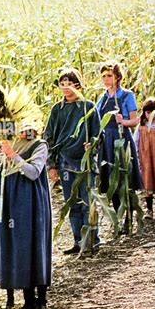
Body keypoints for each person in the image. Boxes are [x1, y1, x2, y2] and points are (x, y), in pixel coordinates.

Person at [0, 125, 52, 309]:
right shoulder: (4, 145)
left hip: (31, 203)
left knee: (34, 247)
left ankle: (41, 301)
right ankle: (28, 302)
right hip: (9, 204)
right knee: (19, 250)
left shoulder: (39, 145)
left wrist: (13, 155)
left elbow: (33, 172)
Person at [43, 68, 102, 254]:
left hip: (84, 162)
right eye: (62, 85)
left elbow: (98, 134)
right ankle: (78, 241)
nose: (66, 88)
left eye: (69, 84)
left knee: (88, 201)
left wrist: (91, 145)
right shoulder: (57, 110)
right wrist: (51, 165)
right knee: (72, 202)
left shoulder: (88, 107)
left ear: (77, 85)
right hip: (65, 161)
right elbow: (49, 137)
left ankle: (92, 240)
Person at [95, 62, 142, 233]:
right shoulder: (102, 98)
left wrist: (123, 121)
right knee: (110, 179)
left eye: (109, 76)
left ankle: (129, 219)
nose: (106, 79)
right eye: (104, 76)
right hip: (106, 142)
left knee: (124, 178)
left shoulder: (126, 96)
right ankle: (118, 217)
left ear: (118, 77)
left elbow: (134, 120)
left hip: (121, 140)